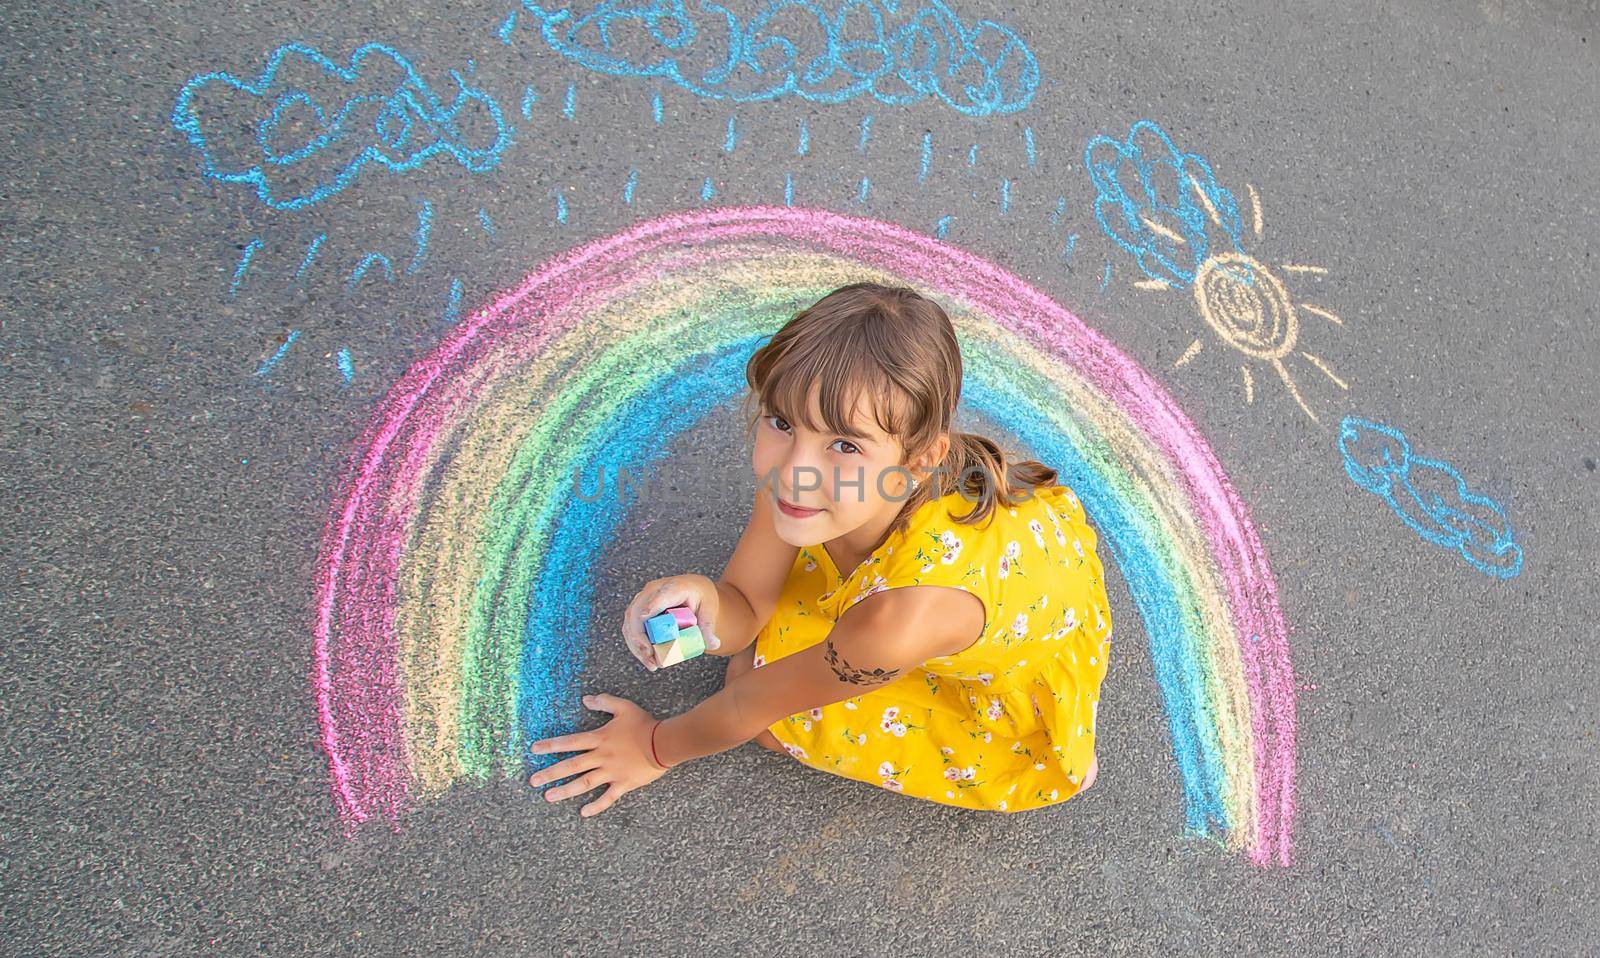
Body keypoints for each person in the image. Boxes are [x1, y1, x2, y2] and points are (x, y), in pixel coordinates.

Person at [527, 283, 1111, 819]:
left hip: (1003, 644)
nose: (794, 472)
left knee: (752, 698)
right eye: (782, 422)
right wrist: (701, 598)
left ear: (920, 460)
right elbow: (743, 610)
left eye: (843, 444)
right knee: (755, 654)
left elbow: (747, 707)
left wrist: (654, 748)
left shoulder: (899, 620)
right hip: (961, 575)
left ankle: (1055, 742)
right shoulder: (811, 485)